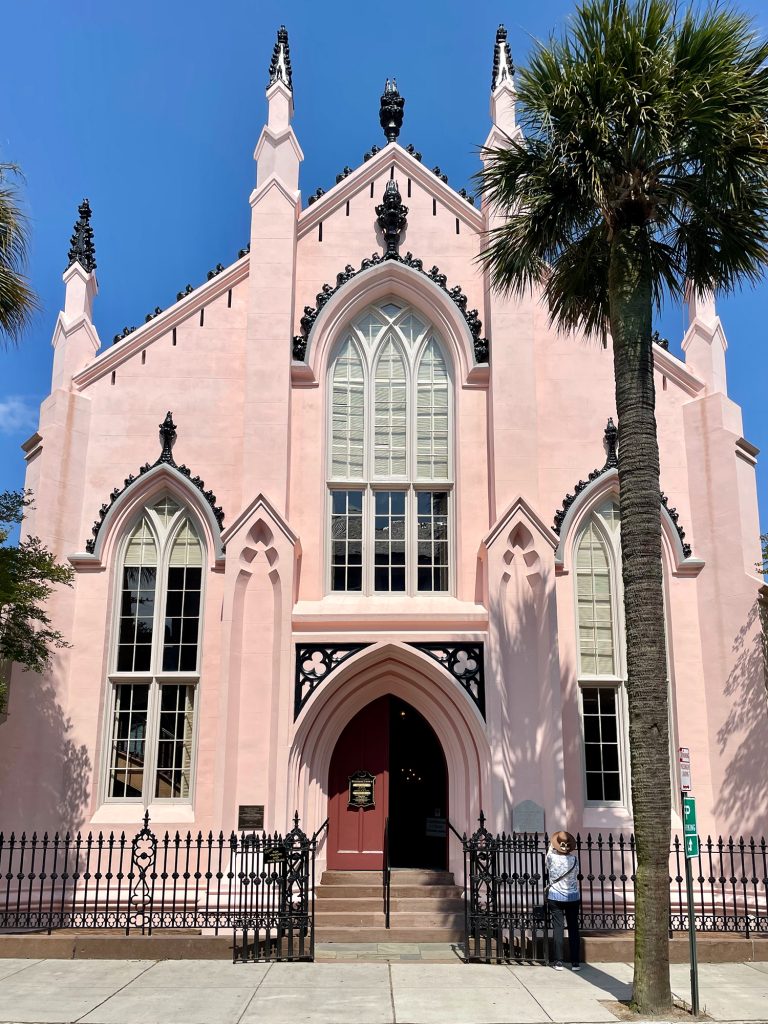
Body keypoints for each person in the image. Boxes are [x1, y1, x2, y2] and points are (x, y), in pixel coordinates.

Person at [545, 829, 581, 971]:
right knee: (573, 929)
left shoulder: (552, 858)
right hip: (572, 897)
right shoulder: (574, 859)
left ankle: (558, 961)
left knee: (558, 929)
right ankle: (575, 962)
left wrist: (552, 845)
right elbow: (576, 873)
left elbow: (548, 860)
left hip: (555, 897)